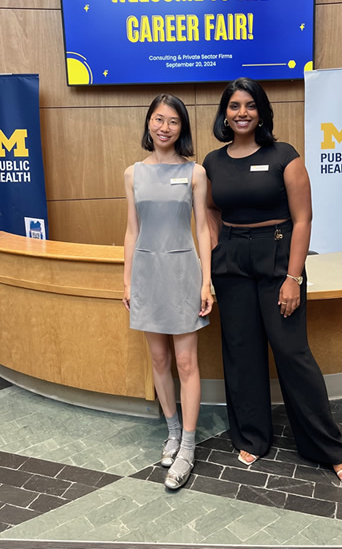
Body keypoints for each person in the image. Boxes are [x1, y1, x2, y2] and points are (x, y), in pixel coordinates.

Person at [202, 77, 342, 485]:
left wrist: (293, 277)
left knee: (291, 352)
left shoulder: (284, 156)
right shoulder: (212, 163)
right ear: (224, 113)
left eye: (250, 105)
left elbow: (303, 219)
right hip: (232, 261)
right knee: (241, 351)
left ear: (262, 111)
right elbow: (211, 210)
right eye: (234, 106)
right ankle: (253, 437)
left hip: (278, 259)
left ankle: (327, 447)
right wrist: (219, 248)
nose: (241, 113)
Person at [123, 94, 213, 490]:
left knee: (186, 363)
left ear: (182, 128)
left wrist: (206, 280)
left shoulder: (195, 172)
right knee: (158, 360)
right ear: (148, 124)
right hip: (146, 272)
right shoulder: (133, 174)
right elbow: (131, 229)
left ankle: (189, 447)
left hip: (182, 273)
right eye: (158, 120)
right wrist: (127, 279)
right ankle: (172, 432)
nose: (164, 127)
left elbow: (204, 229)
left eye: (173, 121)